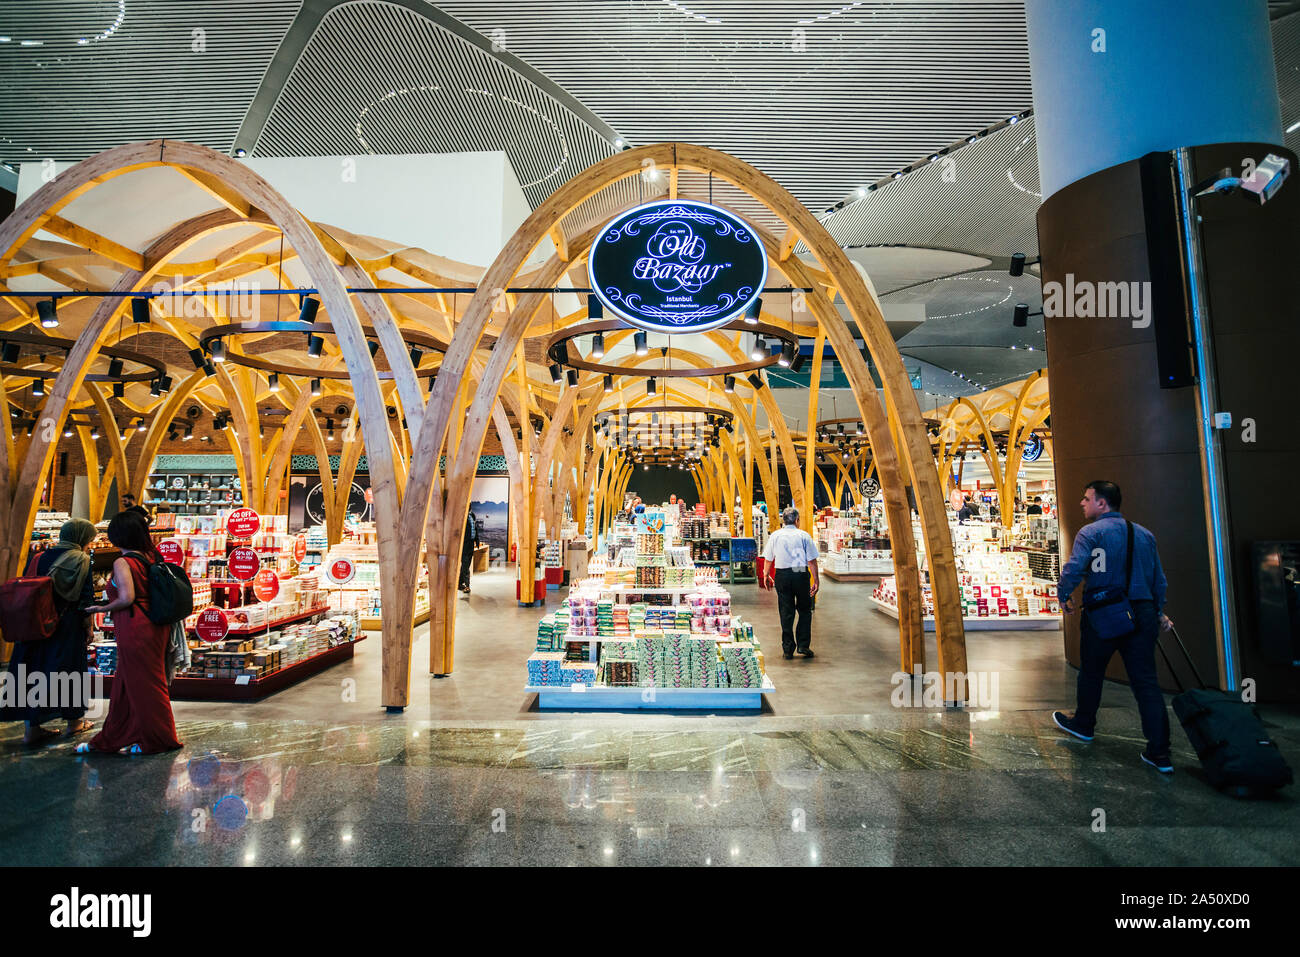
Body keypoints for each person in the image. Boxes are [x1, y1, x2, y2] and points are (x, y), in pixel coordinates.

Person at [1052, 480, 1174, 773]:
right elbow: (1159, 579)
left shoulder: (1090, 533)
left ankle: (1084, 724)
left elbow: (1075, 568)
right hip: (1142, 614)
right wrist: (1158, 611)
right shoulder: (1144, 535)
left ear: (1101, 503)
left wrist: (1063, 594)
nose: (1082, 503)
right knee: (1146, 682)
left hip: (1104, 613)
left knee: (1092, 672)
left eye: (1086, 499)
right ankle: (1160, 753)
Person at [79, 512, 181, 755]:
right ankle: (120, 735)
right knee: (128, 682)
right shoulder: (151, 556)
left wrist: (100, 608)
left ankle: (160, 739)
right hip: (154, 625)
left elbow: (127, 598)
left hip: (135, 625)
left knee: (145, 684)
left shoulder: (123, 562)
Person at [1, 519, 98, 744]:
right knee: (68, 672)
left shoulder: (39, 557)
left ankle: (31, 728)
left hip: (34, 623)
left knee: (30, 670)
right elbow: (85, 600)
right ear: (81, 538)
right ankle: (74, 723)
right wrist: (89, 627)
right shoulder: (81, 560)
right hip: (66, 626)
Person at [761, 507, 820, 659]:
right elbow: (812, 561)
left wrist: (766, 575)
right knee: (805, 610)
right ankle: (803, 645)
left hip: (782, 575)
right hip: (800, 573)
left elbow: (768, 558)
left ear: (784, 521)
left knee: (786, 612)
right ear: (797, 520)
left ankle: (788, 648)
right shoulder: (804, 536)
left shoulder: (775, 535)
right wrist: (816, 580)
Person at [459, 511, 479, 595]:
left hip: (471, 543)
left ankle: (459, 583)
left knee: (466, 564)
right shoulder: (461, 515)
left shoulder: (472, 515)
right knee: (465, 564)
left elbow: (475, 528)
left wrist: (477, 540)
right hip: (464, 543)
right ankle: (467, 585)